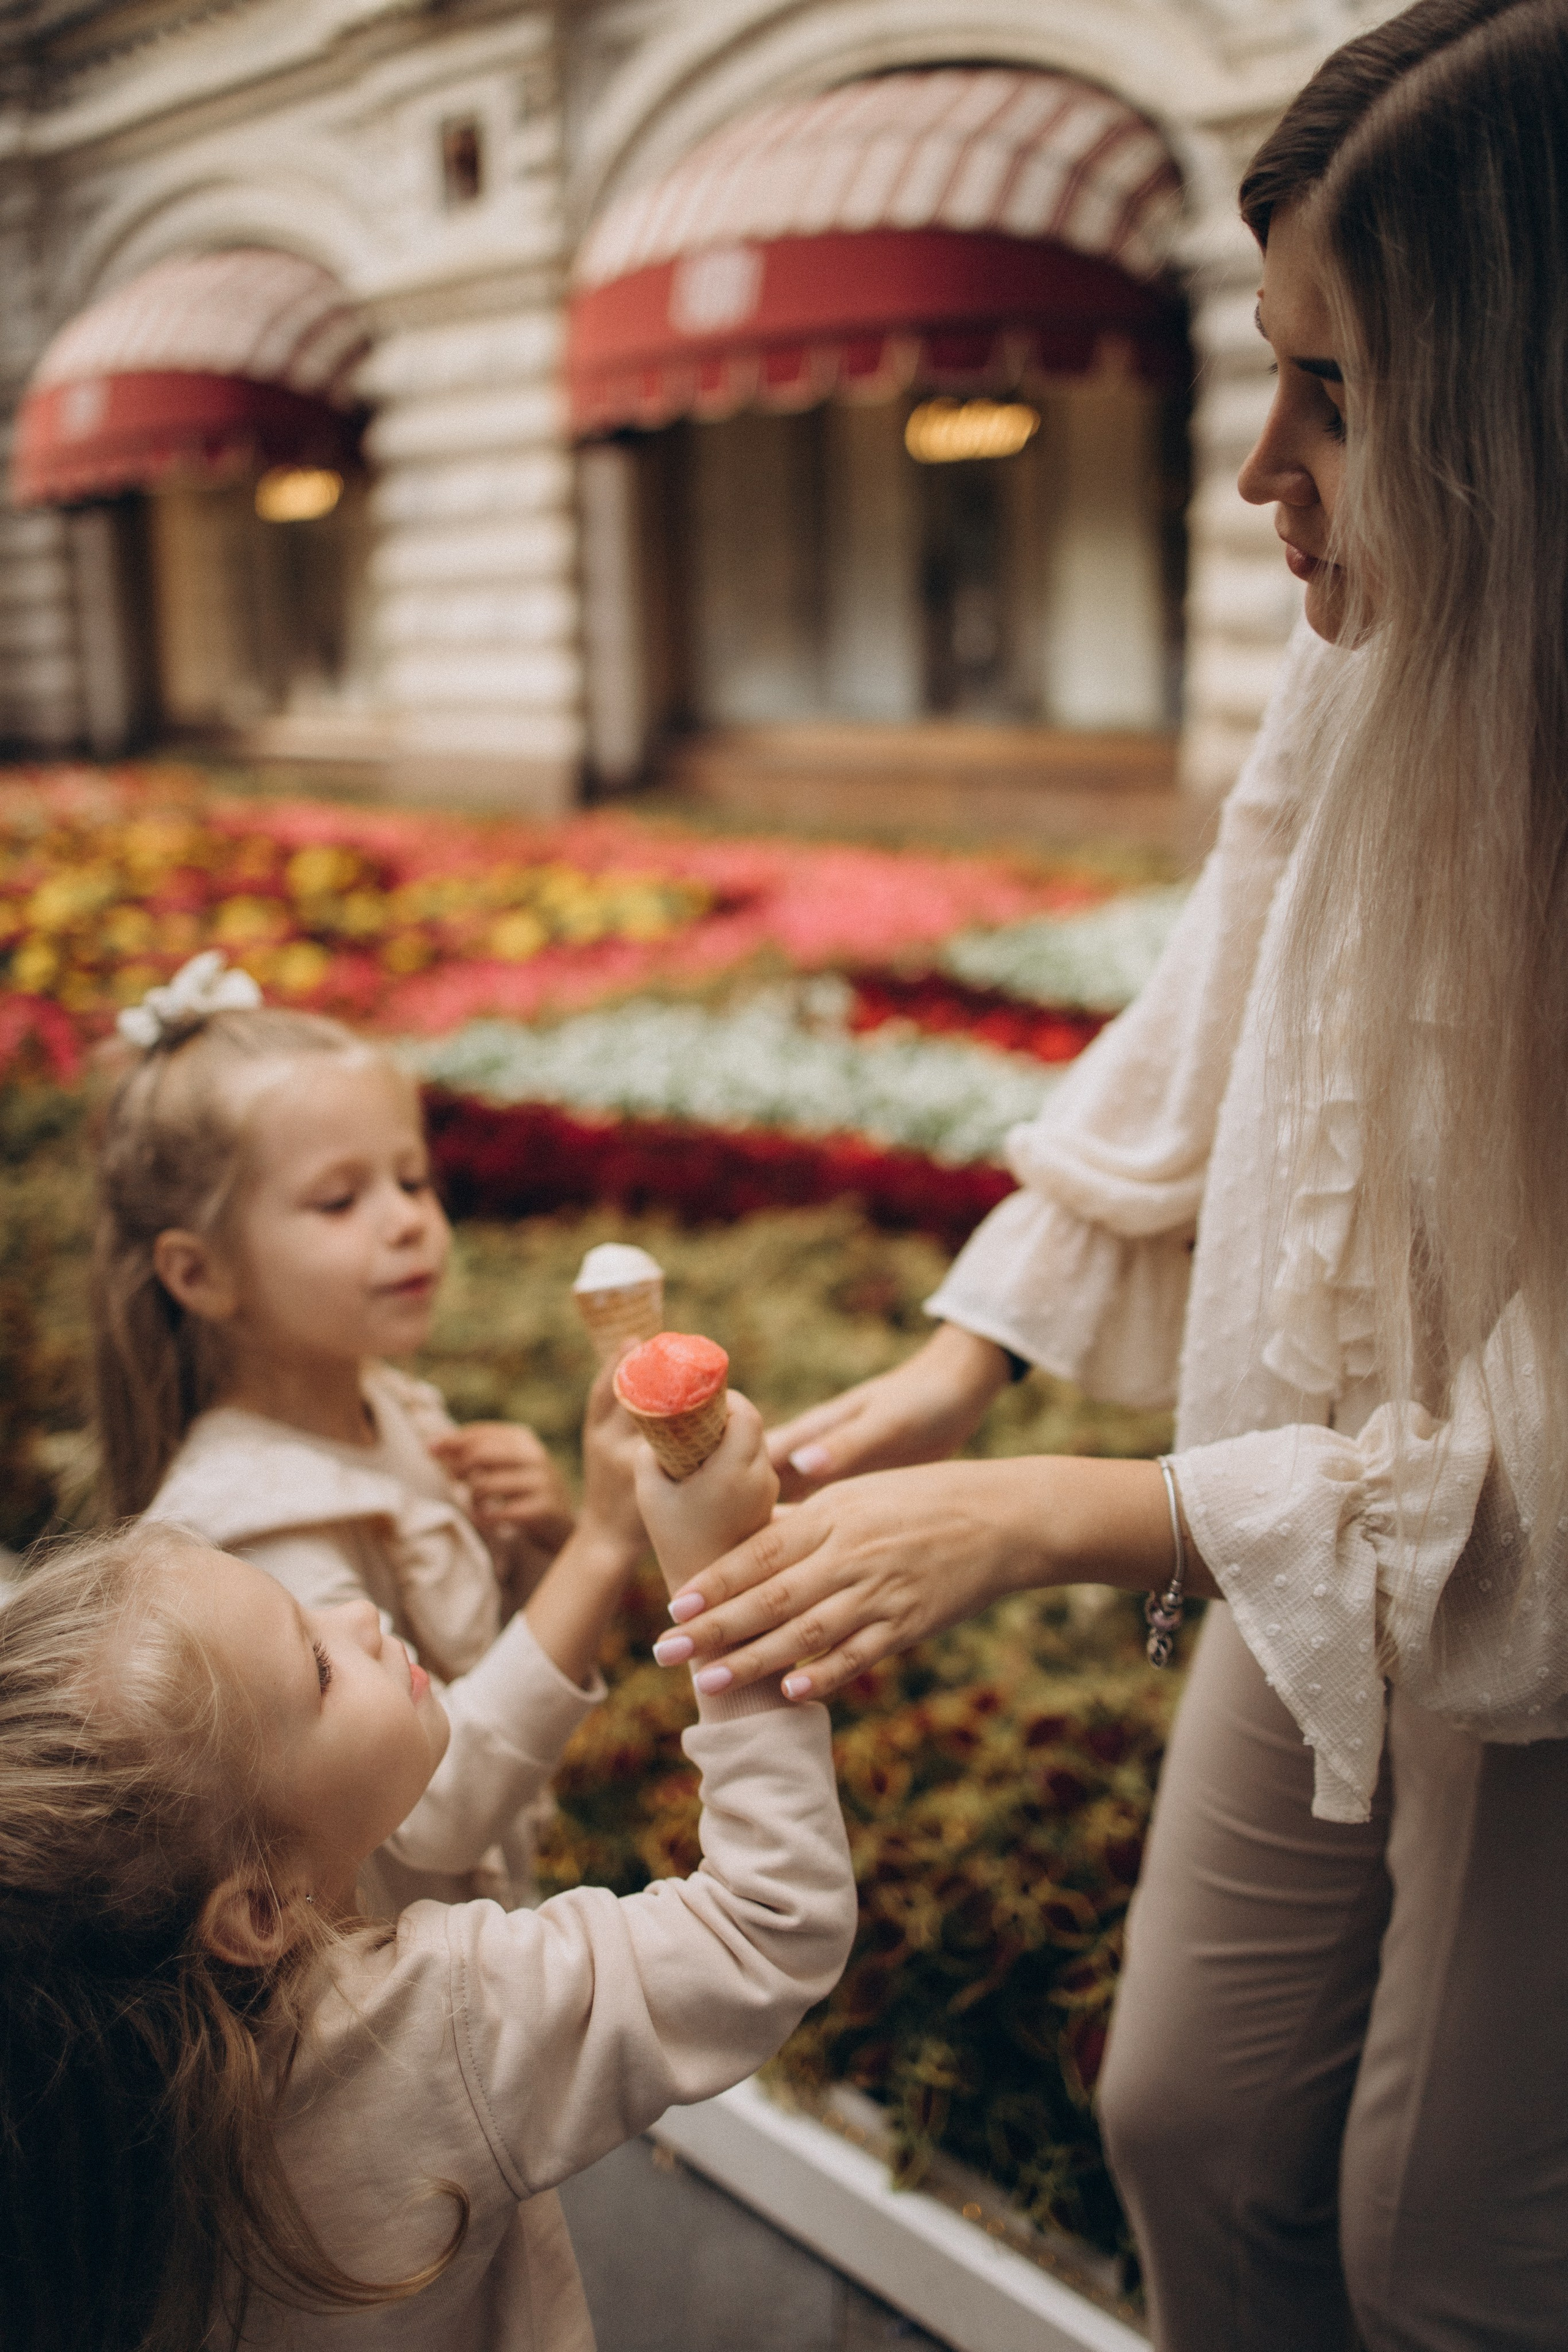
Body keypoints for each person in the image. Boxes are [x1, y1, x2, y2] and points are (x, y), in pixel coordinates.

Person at [644, 6, 1568, 2345]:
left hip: (1531, 1593)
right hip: (1315, 1499)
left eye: (1338, 391)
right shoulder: (1366, 633)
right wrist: (972, 1367)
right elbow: (1234, 973)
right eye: (1270, 372)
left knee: (1448, 2253)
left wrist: (1079, 1512)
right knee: (1183, 2113)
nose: (1259, 465)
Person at [0, 1392, 853, 2351]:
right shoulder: (434, 2023)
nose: (359, 1615)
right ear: (259, 1908)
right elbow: (766, 1926)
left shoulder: (69, 2122)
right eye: (318, 1669)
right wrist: (721, 1584)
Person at [96, 958, 646, 1908]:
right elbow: (430, 1802)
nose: (408, 1223)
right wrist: (602, 1547)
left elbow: (466, 1651)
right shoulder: (250, 1536)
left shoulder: (398, 1412)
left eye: (413, 1179)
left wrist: (544, 1539)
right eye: (340, 1200)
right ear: (200, 1274)